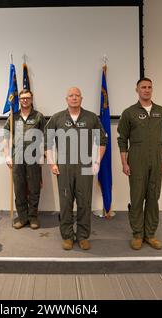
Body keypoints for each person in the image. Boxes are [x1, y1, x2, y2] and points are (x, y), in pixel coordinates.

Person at [45, 87, 107, 250]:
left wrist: (97, 161)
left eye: (77, 95)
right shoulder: (57, 118)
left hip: (85, 167)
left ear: (81, 98)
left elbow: (102, 141)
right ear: (66, 99)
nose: (74, 98)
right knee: (65, 202)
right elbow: (47, 142)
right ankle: (67, 236)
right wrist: (52, 162)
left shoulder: (91, 118)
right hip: (64, 167)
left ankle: (82, 236)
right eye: (71, 96)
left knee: (84, 202)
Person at [117, 78, 162, 250]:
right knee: (137, 197)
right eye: (143, 87)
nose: (146, 90)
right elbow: (122, 140)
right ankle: (137, 234)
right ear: (137, 90)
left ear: (152, 90)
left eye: (149, 87)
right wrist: (124, 163)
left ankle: (150, 234)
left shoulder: (161, 112)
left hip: (156, 158)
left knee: (153, 197)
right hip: (137, 158)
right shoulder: (129, 113)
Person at [4, 89, 46, 230]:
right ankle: (22, 217)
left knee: (34, 187)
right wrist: (7, 155)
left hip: (34, 157)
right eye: (22, 98)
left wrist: (43, 155)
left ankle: (33, 217)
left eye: (27, 98)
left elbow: (45, 138)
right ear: (19, 100)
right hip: (17, 157)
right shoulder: (13, 117)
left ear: (31, 99)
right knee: (19, 187)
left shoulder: (38, 116)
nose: (25, 100)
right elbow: (6, 136)